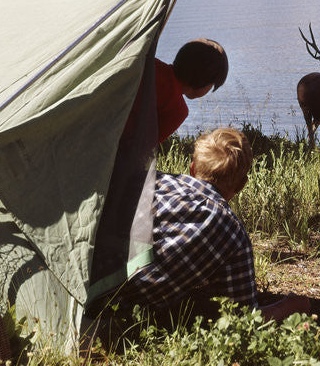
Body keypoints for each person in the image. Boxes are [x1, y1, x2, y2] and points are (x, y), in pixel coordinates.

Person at [113, 127, 308, 323]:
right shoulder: (233, 235)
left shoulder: (155, 182)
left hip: (93, 290)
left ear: (192, 168)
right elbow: (244, 319)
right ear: (242, 185)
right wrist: (291, 305)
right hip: (125, 314)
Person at [155, 39, 228, 143]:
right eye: (211, 86)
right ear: (203, 80)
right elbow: (143, 146)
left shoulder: (151, 64)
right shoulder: (178, 111)